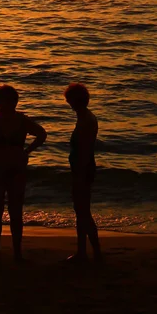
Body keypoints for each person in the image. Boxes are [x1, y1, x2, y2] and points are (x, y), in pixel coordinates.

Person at [0, 85, 47, 262]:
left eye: (3, 101)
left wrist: (27, 151)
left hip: (16, 169)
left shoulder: (22, 120)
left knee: (15, 211)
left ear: (13, 102)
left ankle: (16, 252)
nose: (0, 105)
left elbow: (42, 134)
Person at [65, 82, 102, 263]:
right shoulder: (85, 117)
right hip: (82, 167)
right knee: (81, 211)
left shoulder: (86, 120)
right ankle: (83, 251)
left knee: (83, 211)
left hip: (83, 168)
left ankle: (94, 252)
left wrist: (80, 172)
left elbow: (84, 149)